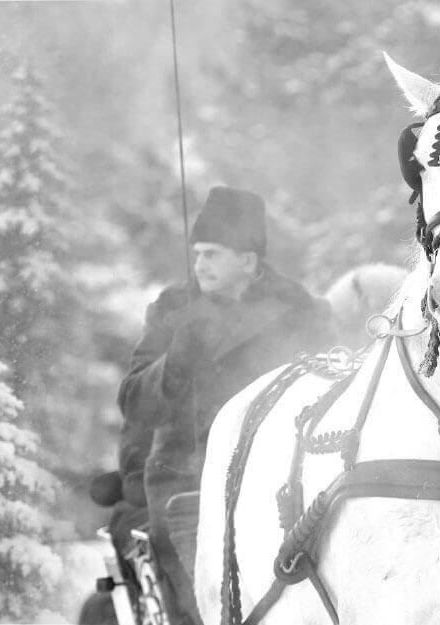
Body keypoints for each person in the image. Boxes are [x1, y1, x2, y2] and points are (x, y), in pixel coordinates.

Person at [114, 186, 332, 623]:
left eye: (212, 254)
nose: (199, 265)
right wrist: (174, 364)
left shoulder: (297, 310)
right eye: (197, 254)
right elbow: (134, 403)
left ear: (248, 261)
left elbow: (328, 390)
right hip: (184, 481)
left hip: (277, 478)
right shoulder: (172, 309)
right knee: (208, 606)